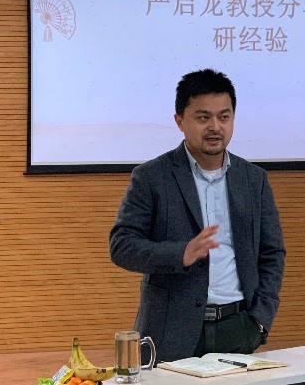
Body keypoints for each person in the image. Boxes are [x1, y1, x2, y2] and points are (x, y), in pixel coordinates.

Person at [109, 68, 286, 363]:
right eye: (203, 117)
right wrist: (180, 253)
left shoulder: (253, 179)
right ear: (179, 120)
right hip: (169, 332)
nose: (215, 127)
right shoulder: (152, 177)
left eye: (224, 117)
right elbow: (122, 246)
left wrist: (260, 319)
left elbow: (272, 253)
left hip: (238, 328)